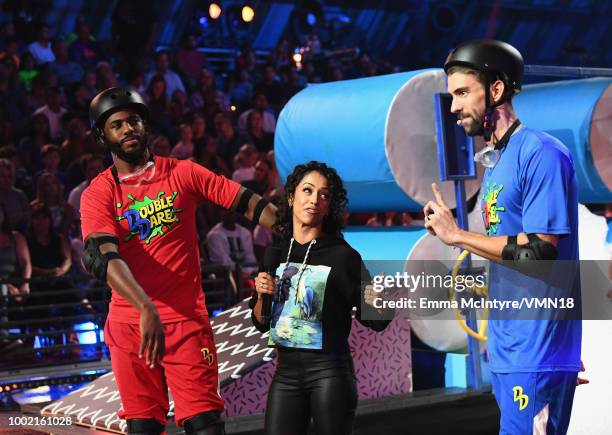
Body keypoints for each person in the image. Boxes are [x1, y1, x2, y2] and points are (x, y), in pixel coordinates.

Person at [80, 87, 277, 434]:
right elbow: (102, 257)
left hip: (186, 322)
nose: (128, 129)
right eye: (117, 125)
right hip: (131, 326)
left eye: (134, 121)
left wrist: (302, 233)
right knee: (143, 427)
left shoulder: (182, 172)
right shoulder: (99, 192)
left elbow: (249, 204)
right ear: (102, 135)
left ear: (145, 125)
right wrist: (145, 308)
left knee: (205, 425)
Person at [425, 39, 582, 434]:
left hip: (535, 351)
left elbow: (540, 252)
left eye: (463, 92)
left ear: (496, 90)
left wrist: (458, 236)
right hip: (512, 348)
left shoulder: (541, 153)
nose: (454, 106)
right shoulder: (496, 162)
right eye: (452, 95)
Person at [250, 161, 393, 435]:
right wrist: (261, 295)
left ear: (329, 206)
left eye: (324, 195)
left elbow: (376, 321)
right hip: (286, 375)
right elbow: (260, 322)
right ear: (291, 197)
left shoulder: (343, 256)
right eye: (307, 190)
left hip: (329, 373)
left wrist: (378, 300)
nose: (314, 199)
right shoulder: (275, 254)